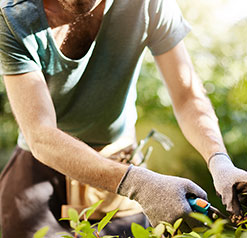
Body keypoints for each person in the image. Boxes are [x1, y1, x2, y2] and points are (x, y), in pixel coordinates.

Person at [0, 0, 247, 237]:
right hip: (41, 175)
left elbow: (187, 96)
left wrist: (219, 161)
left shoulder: (147, 4)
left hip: (120, 162)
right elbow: (41, 135)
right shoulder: (13, 18)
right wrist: (139, 184)